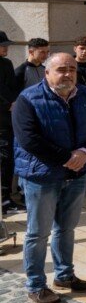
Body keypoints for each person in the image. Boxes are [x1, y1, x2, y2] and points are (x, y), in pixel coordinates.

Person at [13, 53, 86, 303]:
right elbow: (28, 139)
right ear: (47, 73)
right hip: (41, 177)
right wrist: (66, 157)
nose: (67, 74)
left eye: (72, 70)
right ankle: (35, 285)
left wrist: (85, 153)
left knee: (66, 229)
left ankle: (64, 275)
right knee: (38, 233)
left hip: (75, 175)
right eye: (61, 69)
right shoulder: (28, 99)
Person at [0, 30, 22, 215]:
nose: (6, 48)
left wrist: (13, 104)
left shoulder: (7, 64)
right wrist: (7, 104)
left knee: (7, 159)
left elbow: (12, 87)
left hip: (7, 120)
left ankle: (6, 198)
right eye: (2, 45)